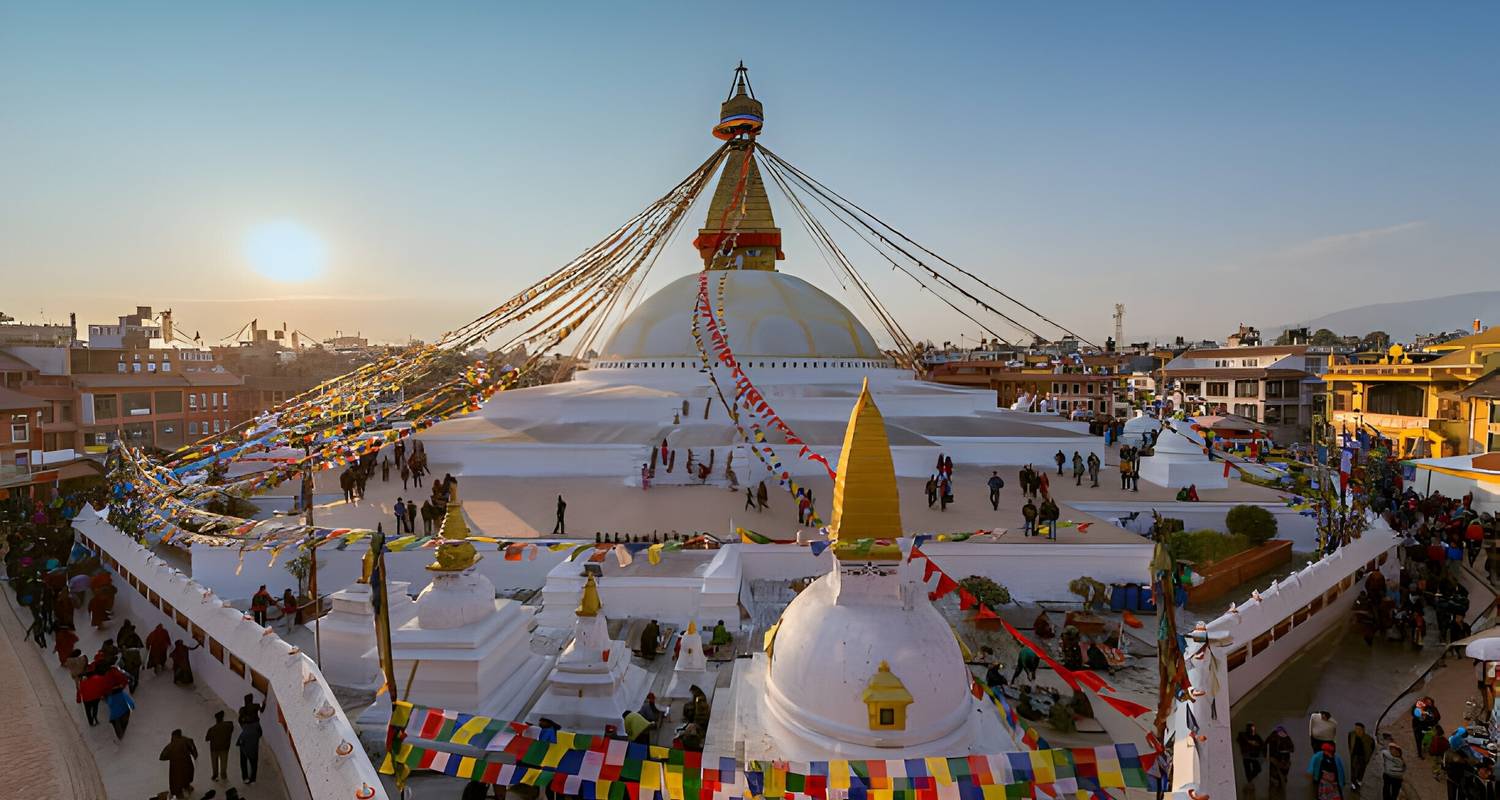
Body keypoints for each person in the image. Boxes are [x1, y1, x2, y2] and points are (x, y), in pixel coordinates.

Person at [160, 728, 199, 798]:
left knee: (176, 780)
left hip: (175, 767)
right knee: (186, 776)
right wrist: (194, 755)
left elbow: (162, 757)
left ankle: (179, 794)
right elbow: (192, 747)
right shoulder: (186, 740)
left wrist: (172, 756)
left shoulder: (170, 745)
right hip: (187, 764)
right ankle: (187, 787)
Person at [205, 710, 234, 783]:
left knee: (214, 763)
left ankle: (215, 775)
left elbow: (207, 738)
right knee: (224, 763)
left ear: (216, 719)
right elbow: (231, 728)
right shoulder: (228, 726)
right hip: (224, 748)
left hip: (214, 748)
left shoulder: (212, 729)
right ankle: (223, 775)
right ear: (223, 718)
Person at [1266, 725, 1295, 796]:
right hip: (1276, 759)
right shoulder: (1274, 737)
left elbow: (1292, 748)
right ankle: (1277, 786)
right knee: (1276, 774)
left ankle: (1278, 785)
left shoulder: (1285, 737)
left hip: (1281, 759)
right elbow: (1292, 748)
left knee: (1280, 774)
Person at [1237, 722, 1266, 790]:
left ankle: (1249, 780)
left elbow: (1262, 744)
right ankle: (1249, 782)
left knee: (1258, 769)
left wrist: (1262, 752)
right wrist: (1249, 742)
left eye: (1253, 729)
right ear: (1248, 729)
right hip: (1246, 755)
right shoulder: (1243, 735)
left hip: (1254, 756)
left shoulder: (1256, 736)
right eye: (1251, 729)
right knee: (1248, 770)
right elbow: (1239, 740)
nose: (1253, 730)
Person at [1347, 721, 1375, 791]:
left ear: (1363, 730)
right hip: (1355, 756)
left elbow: (1372, 747)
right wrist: (1351, 752)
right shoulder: (1351, 734)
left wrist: (1368, 757)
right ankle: (1353, 782)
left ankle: (1359, 780)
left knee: (1362, 769)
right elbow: (1350, 744)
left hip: (1363, 756)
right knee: (1353, 769)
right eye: (1356, 729)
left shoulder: (1368, 739)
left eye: (1359, 729)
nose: (1357, 731)